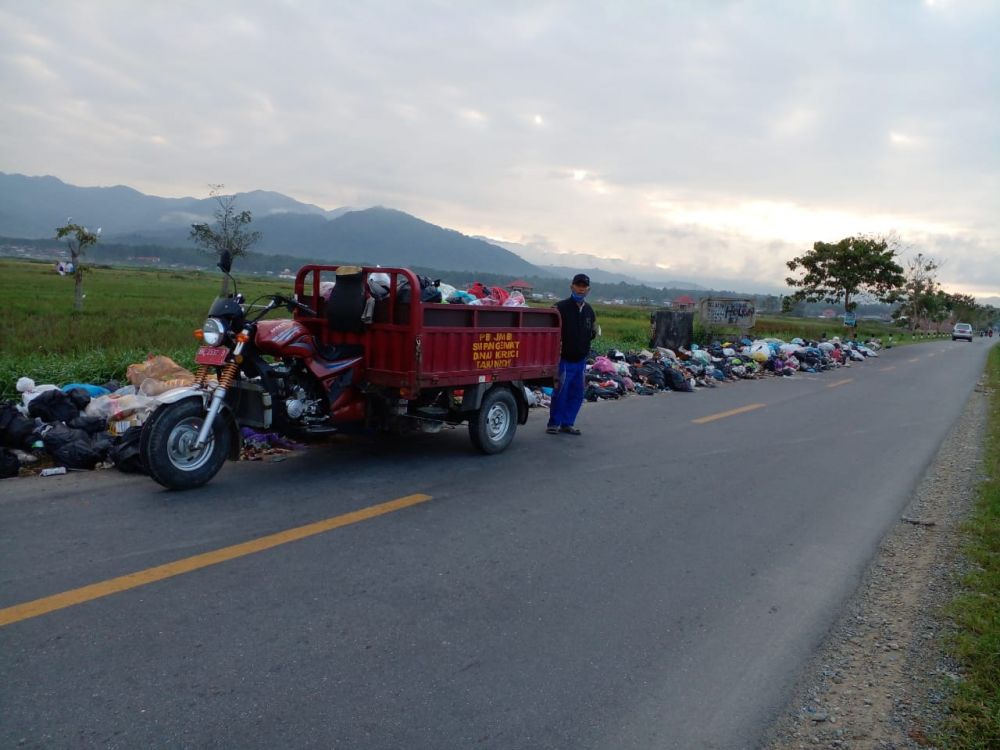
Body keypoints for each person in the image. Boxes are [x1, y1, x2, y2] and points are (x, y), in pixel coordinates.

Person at [547, 273, 597, 435]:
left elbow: (592, 332)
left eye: (584, 286)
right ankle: (554, 423)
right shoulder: (560, 308)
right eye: (578, 285)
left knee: (577, 394)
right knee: (560, 392)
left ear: (588, 289)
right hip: (564, 359)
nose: (581, 289)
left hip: (581, 361)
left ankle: (567, 423)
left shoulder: (589, 311)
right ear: (572, 286)